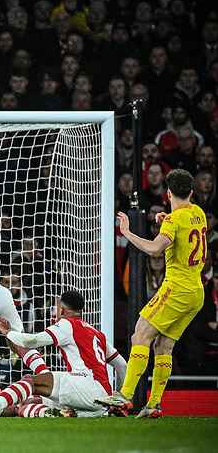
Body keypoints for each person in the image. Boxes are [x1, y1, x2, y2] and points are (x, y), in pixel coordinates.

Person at [97, 169, 207, 417]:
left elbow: (155, 249)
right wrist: (167, 220)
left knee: (140, 335)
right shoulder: (198, 213)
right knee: (163, 345)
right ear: (191, 192)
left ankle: (124, 396)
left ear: (168, 193)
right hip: (196, 292)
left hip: (177, 289)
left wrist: (127, 233)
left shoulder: (173, 221)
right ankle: (153, 405)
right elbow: (185, 229)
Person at [0, 290, 127, 418]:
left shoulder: (67, 324)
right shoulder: (97, 333)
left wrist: (8, 332)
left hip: (85, 385)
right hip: (102, 399)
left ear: (62, 309)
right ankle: (61, 414)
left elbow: (32, 341)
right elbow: (122, 365)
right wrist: (120, 397)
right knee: (34, 400)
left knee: (30, 381)